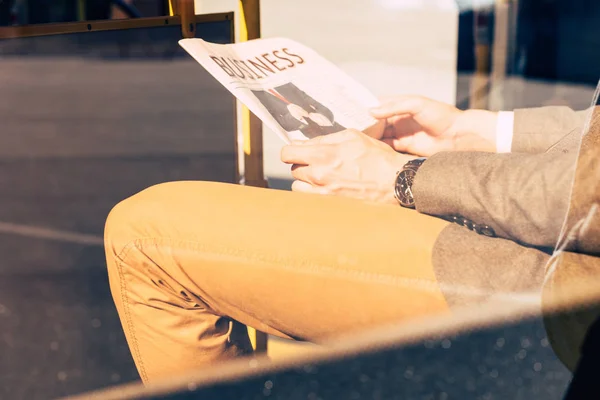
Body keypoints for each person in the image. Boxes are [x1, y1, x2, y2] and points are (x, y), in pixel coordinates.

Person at [103, 94, 598, 384]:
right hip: (561, 250)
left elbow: (587, 195)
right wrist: (487, 131)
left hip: (562, 296)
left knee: (146, 238)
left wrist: (405, 178)